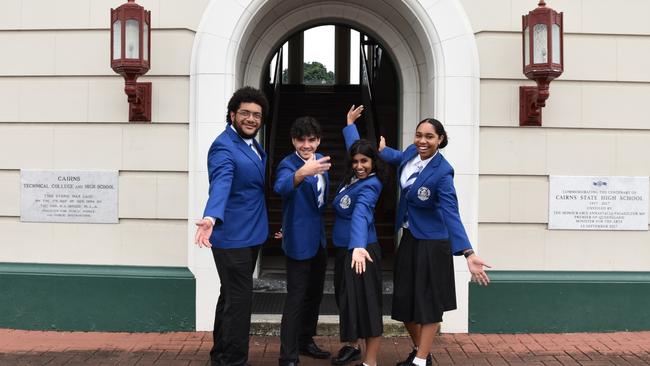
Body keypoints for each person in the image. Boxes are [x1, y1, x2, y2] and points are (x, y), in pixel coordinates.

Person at [345, 106, 491, 366]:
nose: (422, 141)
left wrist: (468, 252)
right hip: (411, 236)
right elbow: (400, 158)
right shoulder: (412, 153)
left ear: (441, 140)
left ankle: (421, 360)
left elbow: (451, 213)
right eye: (419, 135)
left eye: (429, 137)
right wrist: (382, 152)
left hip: (434, 242)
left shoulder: (443, 172)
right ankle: (419, 350)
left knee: (428, 301)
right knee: (404, 300)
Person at [194, 86, 270, 366]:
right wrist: (211, 216)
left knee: (230, 296)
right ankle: (233, 361)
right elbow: (222, 182)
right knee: (239, 304)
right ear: (232, 115)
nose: (251, 119)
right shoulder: (224, 146)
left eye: (257, 115)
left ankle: (221, 355)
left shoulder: (253, 145)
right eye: (245, 113)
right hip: (232, 238)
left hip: (252, 234)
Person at [273, 116, 332, 366]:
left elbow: (319, 202)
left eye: (311, 140)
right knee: (296, 297)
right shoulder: (288, 164)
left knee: (314, 295)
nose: (306, 145)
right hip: (298, 241)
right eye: (301, 140)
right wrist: (300, 173)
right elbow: (281, 188)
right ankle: (288, 355)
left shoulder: (321, 161)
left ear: (318, 141)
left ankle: (306, 340)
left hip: (318, 239)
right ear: (293, 140)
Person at [330, 106, 385, 366]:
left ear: (374, 162)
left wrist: (358, 246)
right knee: (347, 301)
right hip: (345, 250)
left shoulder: (371, 186)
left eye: (365, 161)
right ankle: (352, 346)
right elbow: (358, 148)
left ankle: (370, 361)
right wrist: (350, 125)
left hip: (361, 251)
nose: (359, 166)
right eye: (355, 162)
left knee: (367, 306)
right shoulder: (353, 177)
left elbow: (361, 214)